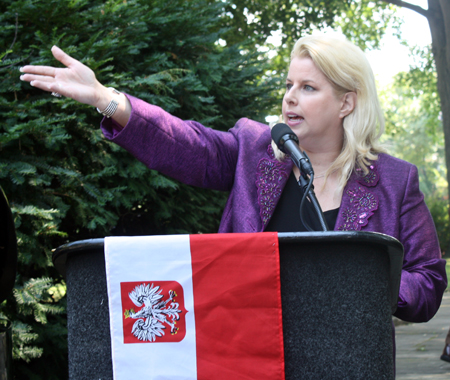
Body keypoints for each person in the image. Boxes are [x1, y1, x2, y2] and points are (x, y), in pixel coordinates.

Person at [20, 35, 446, 324]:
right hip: (249, 352)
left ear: (347, 103)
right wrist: (105, 99)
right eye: (288, 85)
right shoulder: (254, 149)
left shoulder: (394, 181)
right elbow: (185, 143)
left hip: (347, 359)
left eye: (309, 88)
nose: (290, 97)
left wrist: (366, 276)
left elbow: (428, 283)